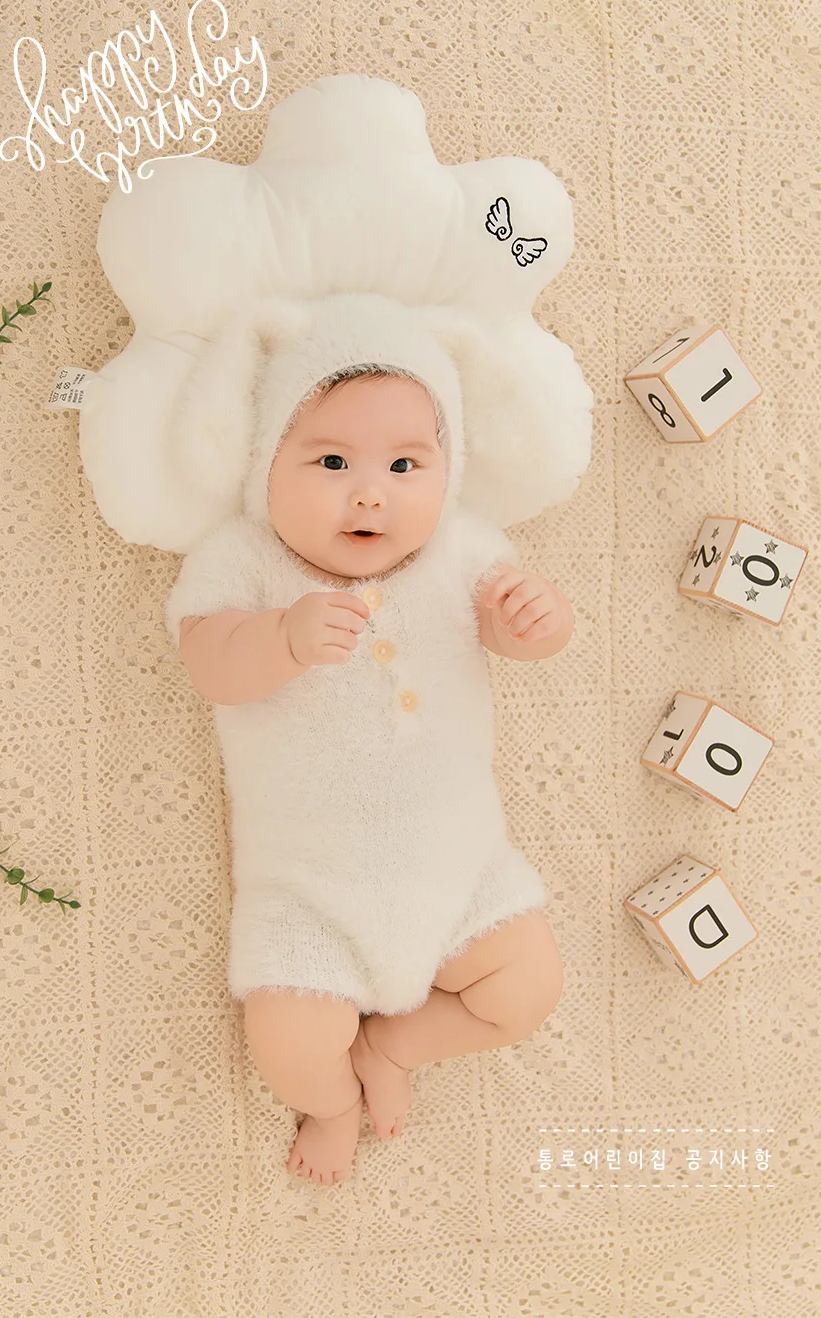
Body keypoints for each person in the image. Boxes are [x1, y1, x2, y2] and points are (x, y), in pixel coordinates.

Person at [166, 338, 574, 1186]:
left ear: (447, 471)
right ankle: (331, 1103)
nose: (370, 491)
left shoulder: (463, 553)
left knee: (528, 989)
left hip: (462, 875)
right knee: (289, 1046)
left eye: (403, 464)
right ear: (265, 462)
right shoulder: (244, 559)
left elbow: (513, 631)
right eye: (332, 461)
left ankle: (394, 1044)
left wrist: (539, 620)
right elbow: (209, 664)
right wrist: (280, 638)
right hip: (308, 894)